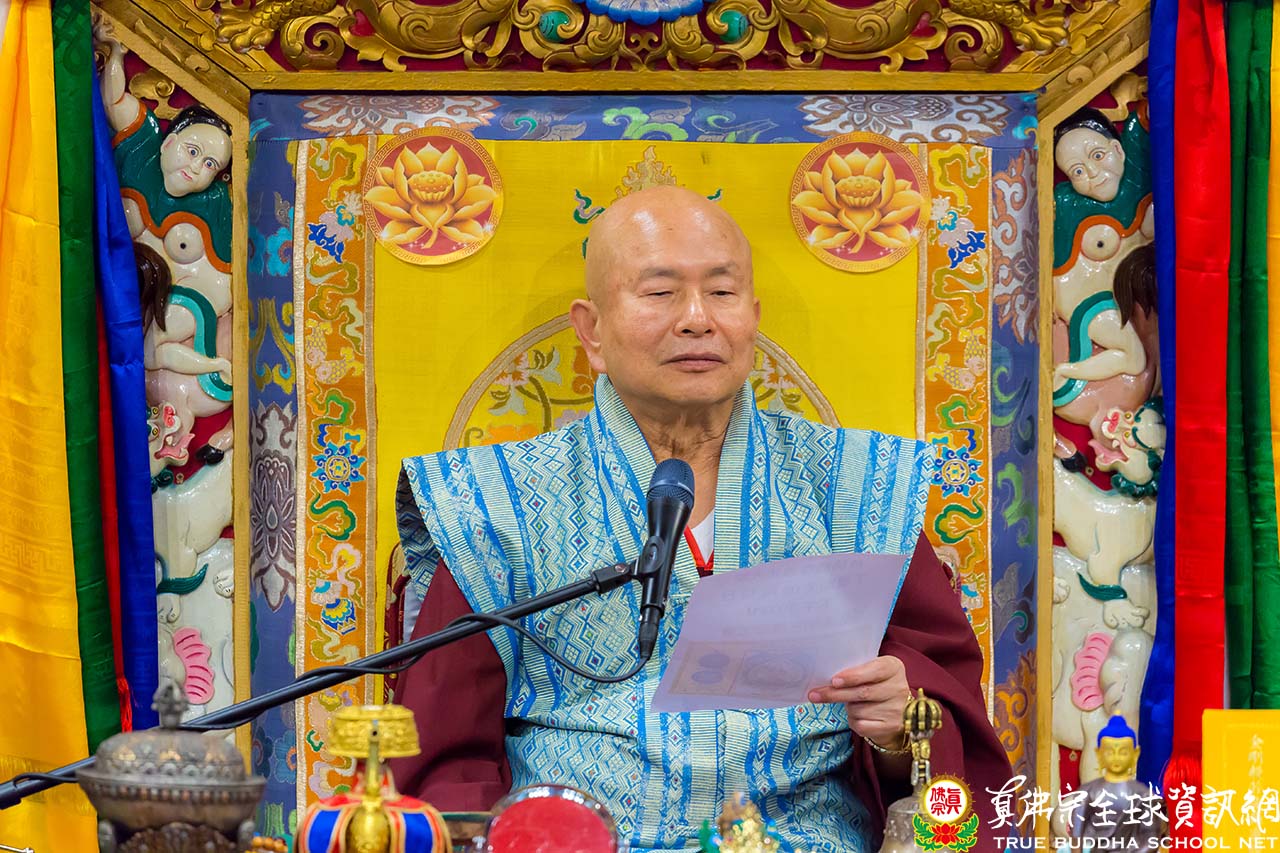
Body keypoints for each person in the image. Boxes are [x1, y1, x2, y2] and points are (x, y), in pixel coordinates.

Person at [391, 185, 1011, 853]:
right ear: (591, 330)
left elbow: (941, 734)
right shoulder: (494, 503)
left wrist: (901, 732)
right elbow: (446, 758)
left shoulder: (857, 488)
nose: (697, 319)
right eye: (661, 292)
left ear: (753, 316)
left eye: (721, 291)